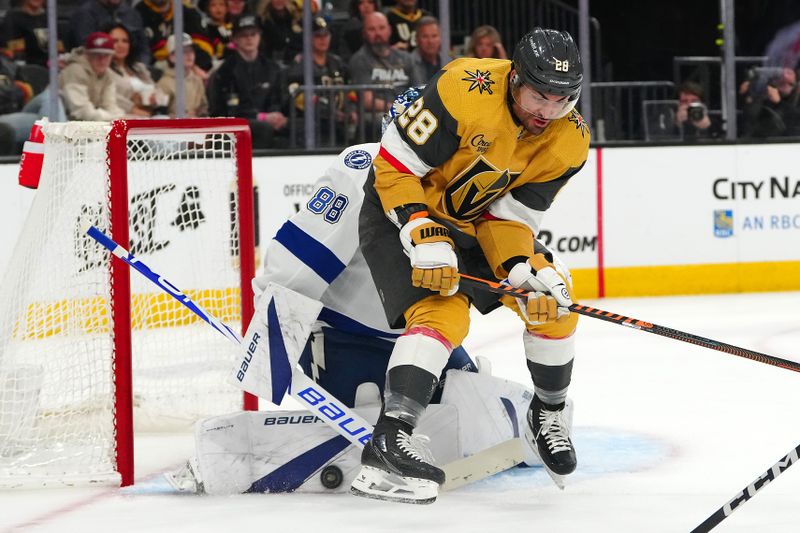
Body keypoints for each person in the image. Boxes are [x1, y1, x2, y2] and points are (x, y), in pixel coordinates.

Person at [351, 27, 589, 504]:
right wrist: (421, 232)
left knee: (553, 305)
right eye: (538, 95)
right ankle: (389, 438)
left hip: (474, 225)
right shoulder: (465, 88)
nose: (546, 111)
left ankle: (547, 412)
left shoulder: (570, 141)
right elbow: (395, 165)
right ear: (515, 78)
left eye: (560, 100)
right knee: (444, 313)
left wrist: (520, 267)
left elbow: (510, 217)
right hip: (400, 206)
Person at [207, 14, 288, 149]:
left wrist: (276, 115)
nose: (249, 38)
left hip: (268, 120)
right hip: (234, 125)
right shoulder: (226, 71)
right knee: (263, 128)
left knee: (297, 125)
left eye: (253, 34)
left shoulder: (272, 68)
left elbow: (277, 98)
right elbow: (227, 110)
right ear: (235, 39)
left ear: (259, 36)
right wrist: (261, 117)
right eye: (244, 35)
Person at [286, 16, 352, 146]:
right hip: (313, 123)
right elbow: (298, 98)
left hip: (340, 122)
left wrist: (351, 110)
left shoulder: (338, 64)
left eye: (326, 35)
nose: (323, 39)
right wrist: (329, 112)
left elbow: (350, 90)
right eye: (317, 36)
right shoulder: (299, 67)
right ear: (308, 38)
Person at [348, 11, 413, 138]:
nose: (378, 33)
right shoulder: (360, 60)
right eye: (372, 29)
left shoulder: (405, 58)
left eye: (381, 28)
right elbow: (367, 101)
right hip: (378, 116)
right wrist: (398, 108)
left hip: (406, 111)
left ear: (389, 30)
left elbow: (419, 89)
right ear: (364, 33)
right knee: (382, 121)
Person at [59, 31, 126, 121]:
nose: (102, 60)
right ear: (87, 54)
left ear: (111, 57)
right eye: (97, 55)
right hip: (55, 114)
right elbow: (81, 110)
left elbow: (109, 105)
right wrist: (114, 119)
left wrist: (121, 118)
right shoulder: (75, 70)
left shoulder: (108, 74)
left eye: (106, 55)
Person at [135, 0, 213, 73]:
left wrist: (191, 65)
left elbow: (205, 48)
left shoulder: (187, 11)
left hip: (193, 68)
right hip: (156, 72)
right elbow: (144, 54)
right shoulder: (139, 13)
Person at [106, 23, 166, 118]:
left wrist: (155, 98)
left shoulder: (139, 68)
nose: (120, 45)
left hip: (149, 115)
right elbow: (107, 96)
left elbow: (159, 92)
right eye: (115, 41)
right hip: (121, 117)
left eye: (125, 41)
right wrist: (133, 108)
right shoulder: (103, 69)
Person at [69, 0, 148, 65]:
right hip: (98, 68)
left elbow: (143, 49)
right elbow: (87, 49)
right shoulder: (84, 14)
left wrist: (140, 67)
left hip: (130, 68)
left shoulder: (132, 14)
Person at [156, 33, 209, 117]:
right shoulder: (164, 83)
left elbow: (204, 107)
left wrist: (200, 113)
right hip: (174, 127)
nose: (189, 54)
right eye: (184, 51)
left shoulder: (197, 80)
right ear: (172, 57)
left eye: (191, 50)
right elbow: (159, 115)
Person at [740, 66, 800, 137]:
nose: (785, 76)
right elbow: (747, 125)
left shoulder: (795, 100)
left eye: (790, 84)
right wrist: (746, 96)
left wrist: (779, 103)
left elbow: (793, 129)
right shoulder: (764, 93)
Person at [2, 0, 64, 66]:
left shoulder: (50, 17)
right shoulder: (14, 18)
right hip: (27, 69)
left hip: (53, 68)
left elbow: (59, 48)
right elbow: (16, 54)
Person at [256, 0, 303, 64]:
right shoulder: (263, 21)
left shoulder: (295, 17)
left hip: (296, 62)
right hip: (271, 62)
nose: (279, 1)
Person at [409, 15, 442, 84]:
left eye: (434, 36)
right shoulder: (407, 64)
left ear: (440, 38)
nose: (430, 41)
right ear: (416, 39)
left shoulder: (449, 62)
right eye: (425, 36)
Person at [198, 0, 233, 66]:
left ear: (227, 8)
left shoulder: (234, 27)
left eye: (221, 5)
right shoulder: (204, 29)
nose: (218, 8)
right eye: (213, 5)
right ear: (207, 9)